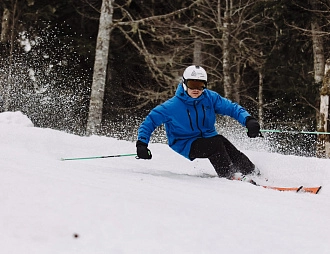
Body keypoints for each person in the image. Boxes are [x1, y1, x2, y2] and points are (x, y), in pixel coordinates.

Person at [136, 65, 260, 178]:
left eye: (200, 85)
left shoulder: (210, 98)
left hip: (208, 137)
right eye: (192, 84)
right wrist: (142, 144)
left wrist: (248, 120)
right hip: (185, 142)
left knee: (223, 142)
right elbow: (150, 122)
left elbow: (232, 108)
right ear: (184, 84)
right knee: (215, 144)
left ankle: (252, 172)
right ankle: (229, 175)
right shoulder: (172, 106)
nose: (196, 89)